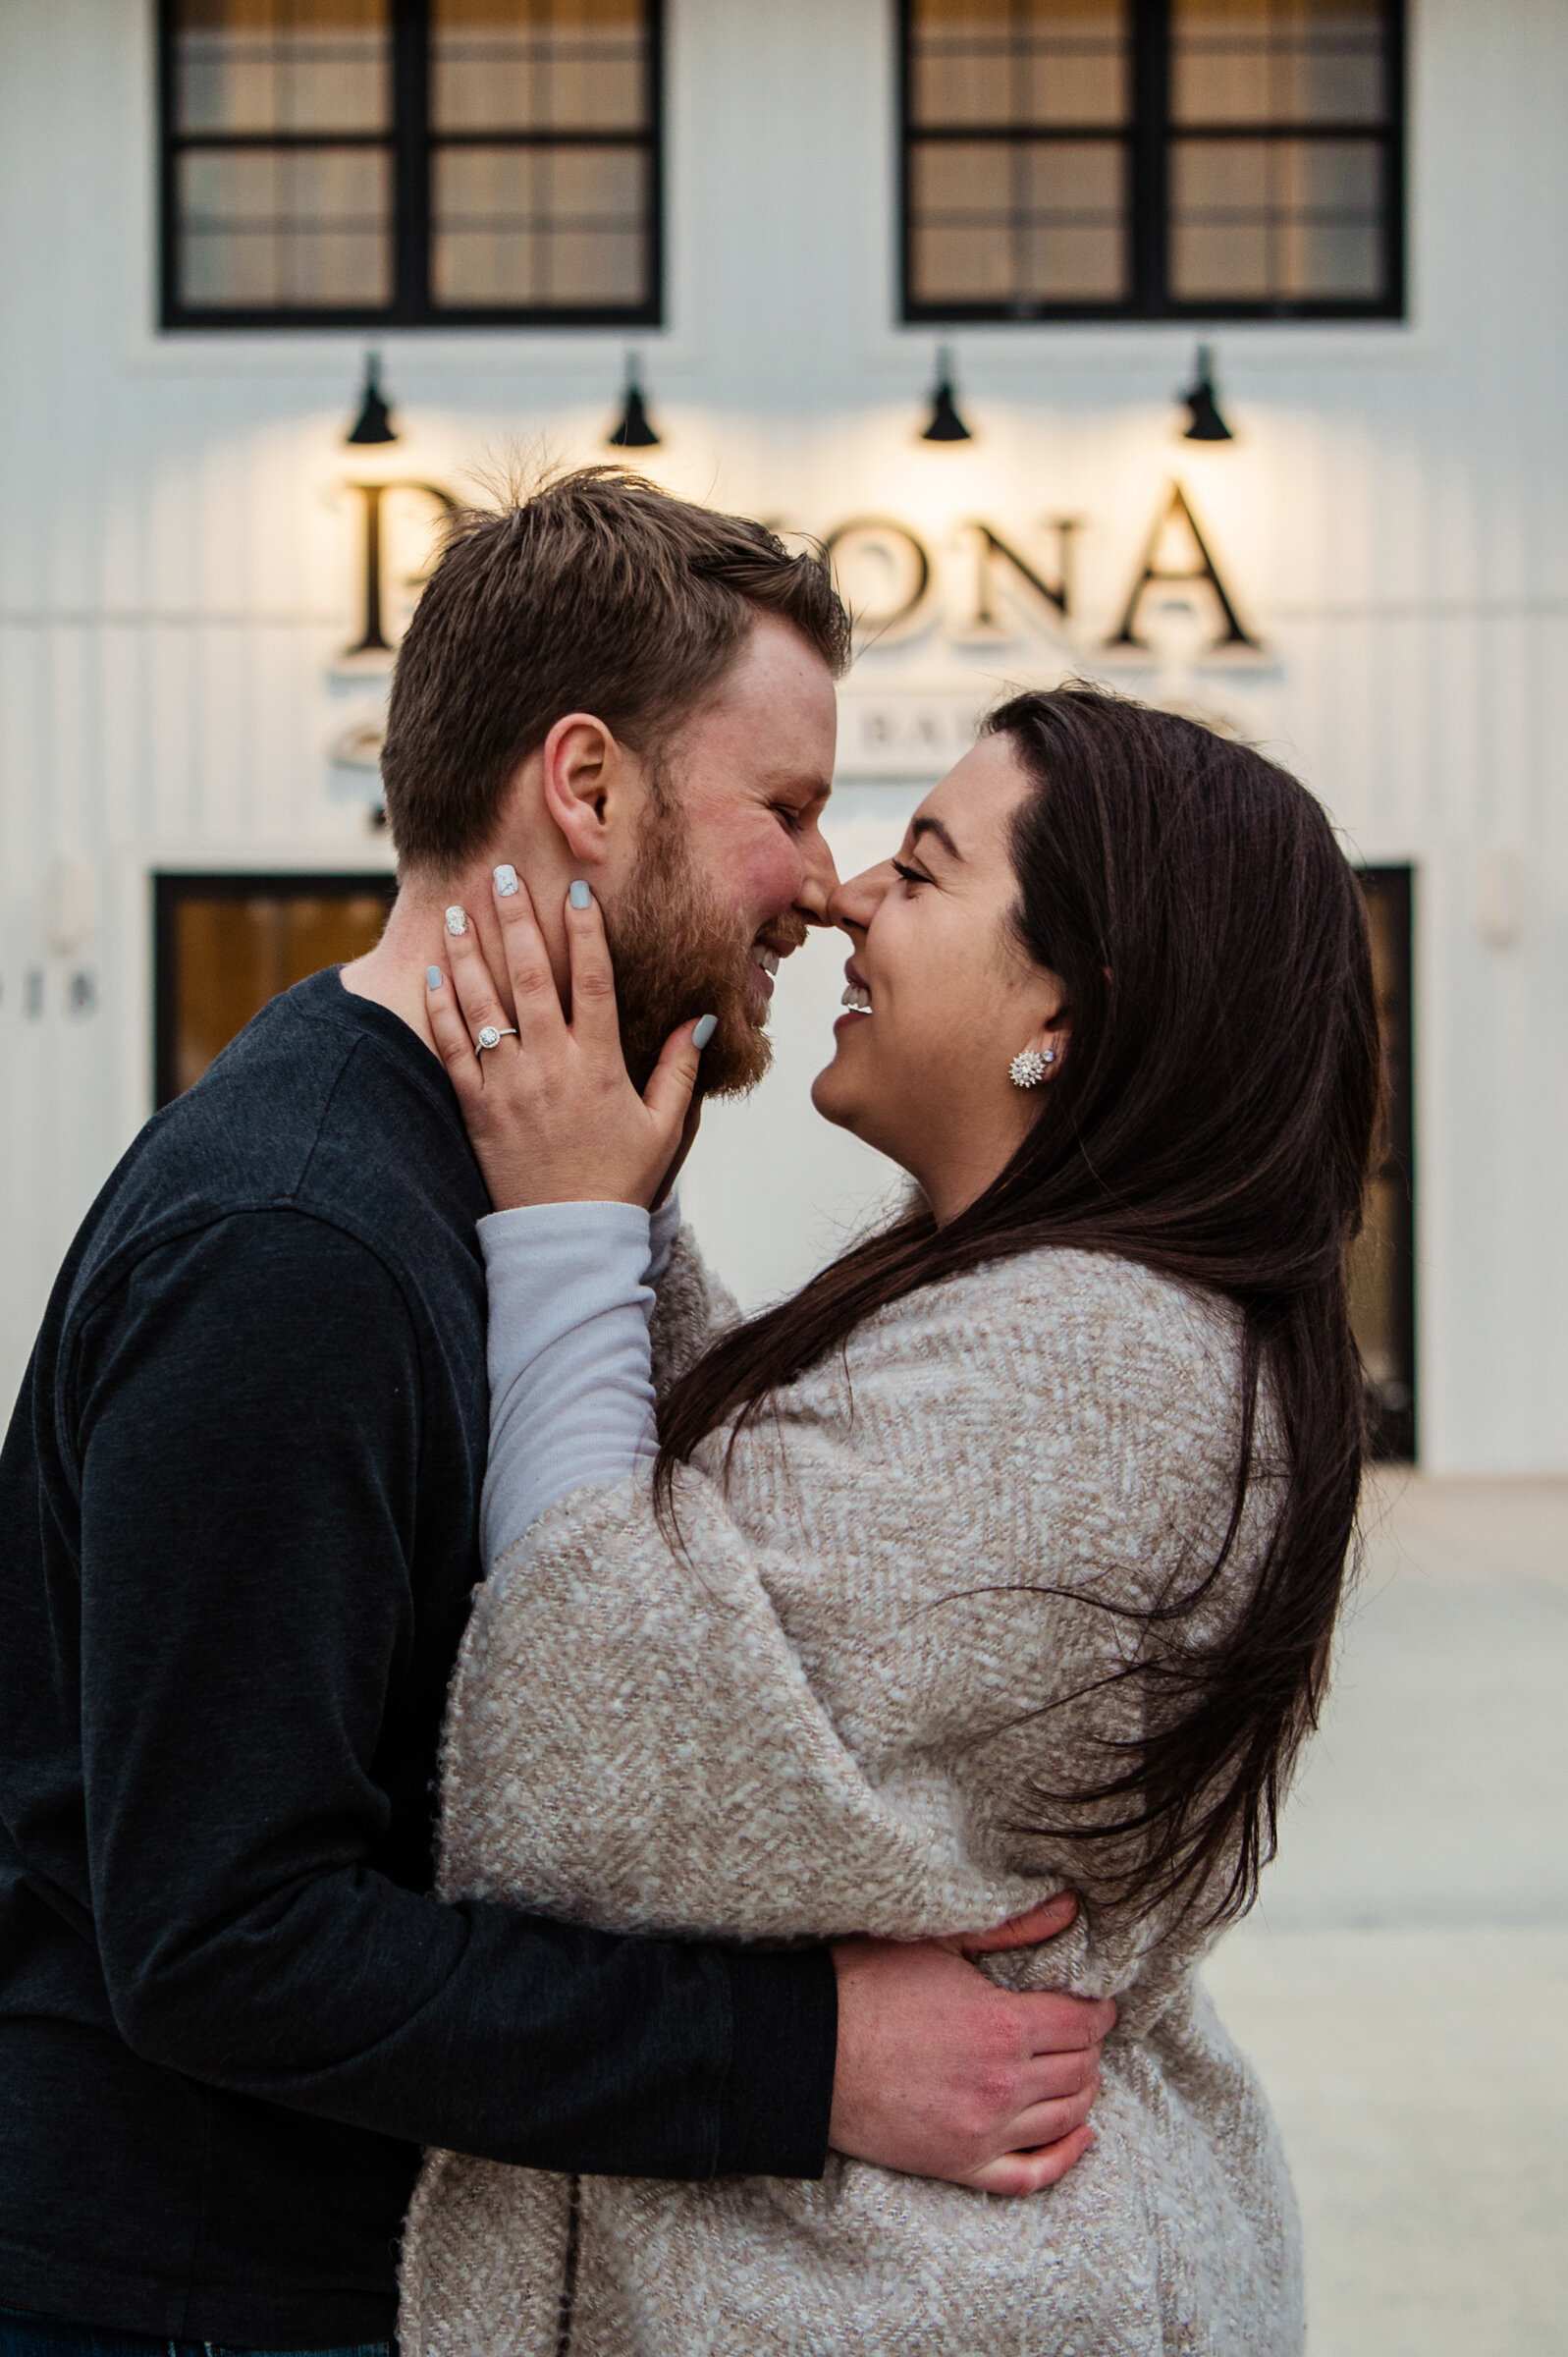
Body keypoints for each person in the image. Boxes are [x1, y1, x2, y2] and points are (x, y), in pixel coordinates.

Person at [0, 474, 1112, 2356]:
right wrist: (809, 2057)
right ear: (584, 788)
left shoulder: (496, 1185)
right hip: (206, 2300)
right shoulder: (301, 1245)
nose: (825, 885)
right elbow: (224, 1942)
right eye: (782, 808)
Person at [399, 683, 1381, 2354]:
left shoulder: (1096, 1364)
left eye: (923, 873)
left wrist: (566, 1232)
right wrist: (611, 1180)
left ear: (1071, 1005)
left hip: (919, 2287)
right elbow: (741, 1533)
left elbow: (612, 1740)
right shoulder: (1045, 1307)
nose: (846, 893)